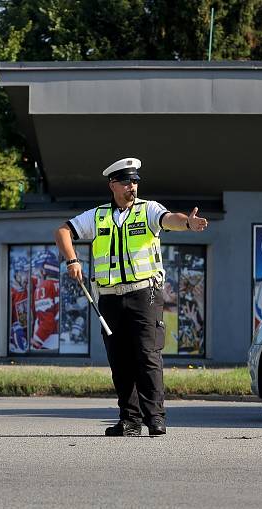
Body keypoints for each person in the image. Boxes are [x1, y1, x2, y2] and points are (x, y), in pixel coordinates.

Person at [54, 156, 208, 436]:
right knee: (120, 360)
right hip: (110, 298)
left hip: (144, 295)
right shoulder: (97, 215)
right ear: (113, 184)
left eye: (135, 181)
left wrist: (188, 223)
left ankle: (156, 418)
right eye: (126, 182)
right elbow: (63, 230)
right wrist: (72, 260)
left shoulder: (148, 210)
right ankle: (130, 421)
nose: (132, 187)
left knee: (148, 356)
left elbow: (169, 219)